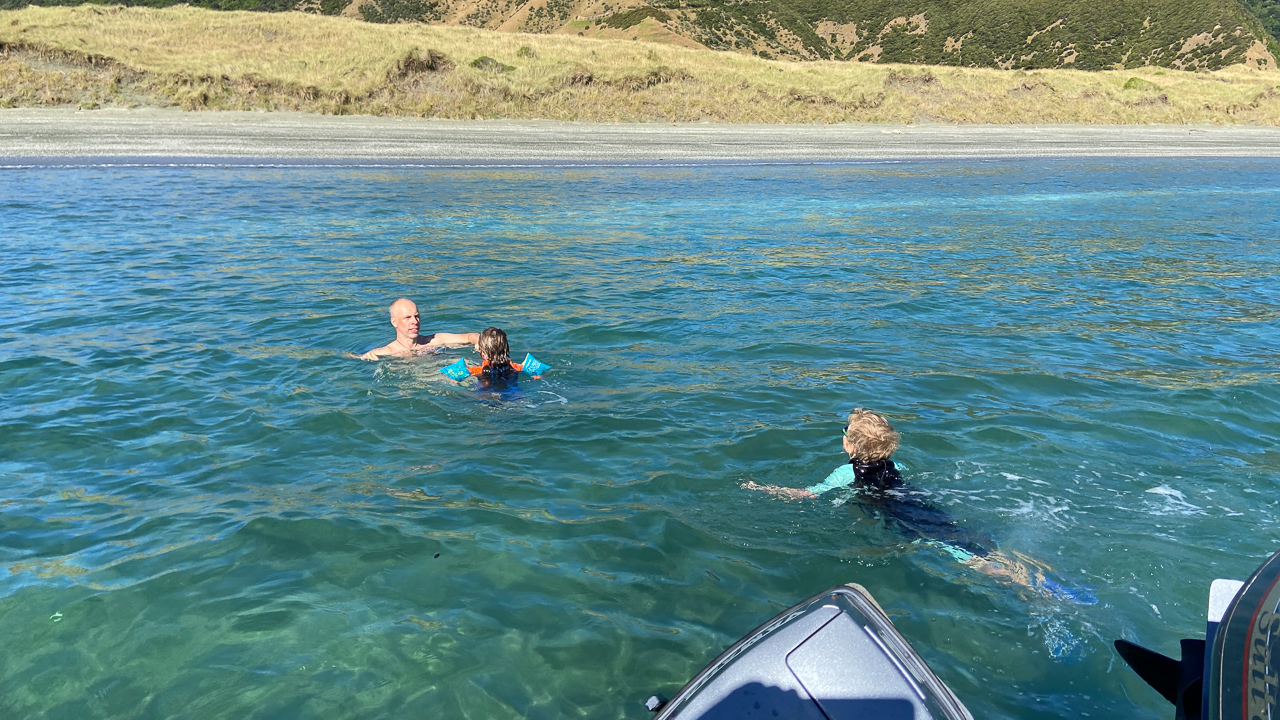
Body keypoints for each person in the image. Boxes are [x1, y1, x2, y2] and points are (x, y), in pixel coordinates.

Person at [742, 409, 1094, 603]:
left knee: (965, 557)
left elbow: (808, 495)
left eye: (845, 432)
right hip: (924, 507)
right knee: (967, 537)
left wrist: (763, 488)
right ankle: (1045, 575)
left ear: (850, 445)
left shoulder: (845, 474)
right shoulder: (897, 466)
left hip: (905, 520)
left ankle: (1034, 588)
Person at [358, 298, 480, 361]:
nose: (415, 322)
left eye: (416, 316)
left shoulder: (434, 340)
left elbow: (470, 336)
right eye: (407, 317)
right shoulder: (387, 352)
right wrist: (365, 356)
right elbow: (355, 357)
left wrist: (478, 342)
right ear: (394, 322)